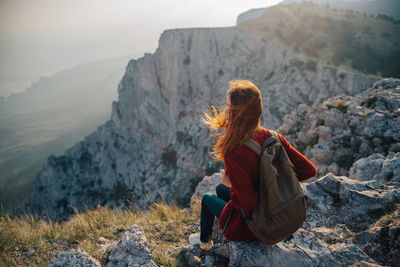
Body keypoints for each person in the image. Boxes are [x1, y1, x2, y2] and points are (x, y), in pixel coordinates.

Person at [189, 79, 317, 245]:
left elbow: (248, 202)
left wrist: (232, 184)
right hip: (280, 213)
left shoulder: (234, 151)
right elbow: (309, 170)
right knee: (220, 189)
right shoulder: (273, 137)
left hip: (256, 227)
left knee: (207, 199)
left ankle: (202, 241)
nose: (226, 110)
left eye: (228, 106)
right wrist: (276, 186)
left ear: (237, 113)